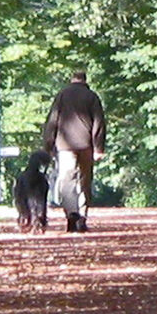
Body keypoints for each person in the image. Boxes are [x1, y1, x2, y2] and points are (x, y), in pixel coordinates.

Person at [41, 68, 105, 232]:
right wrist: (98, 148)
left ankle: (71, 213)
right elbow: (99, 123)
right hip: (86, 146)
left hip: (65, 146)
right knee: (85, 181)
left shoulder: (62, 95)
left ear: (72, 79)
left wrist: (48, 146)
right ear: (85, 80)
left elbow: (53, 121)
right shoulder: (92, 96)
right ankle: (82, 217)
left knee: (67, 180)